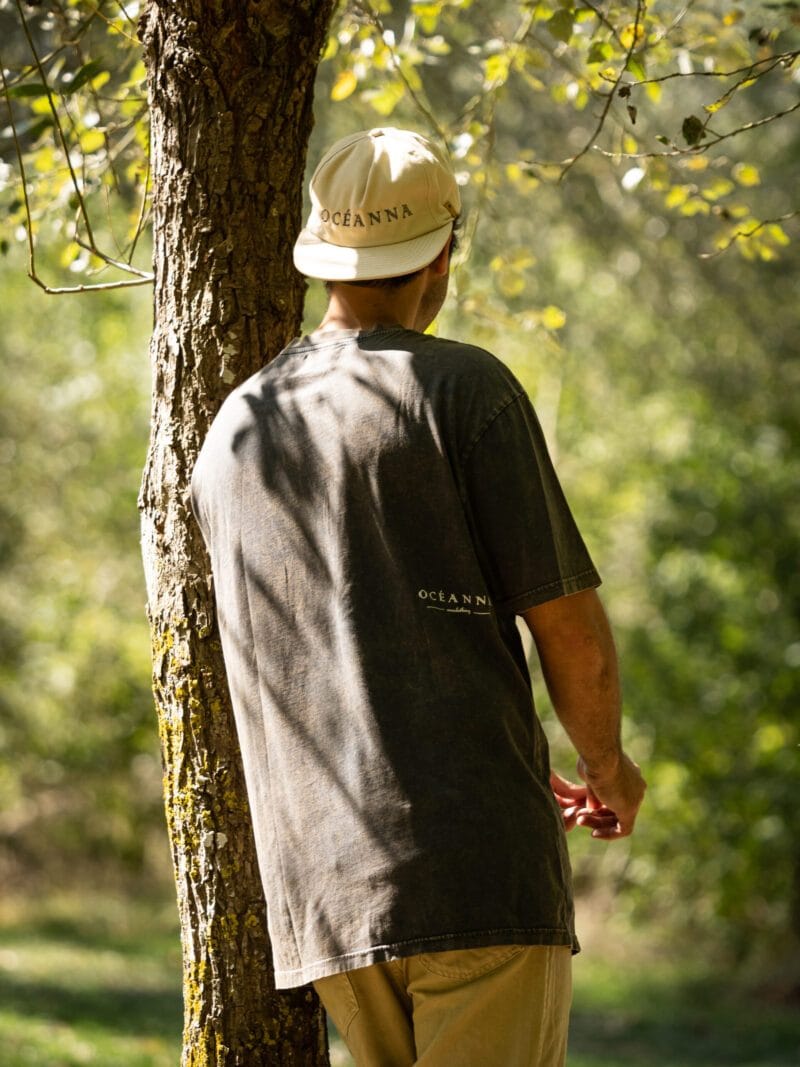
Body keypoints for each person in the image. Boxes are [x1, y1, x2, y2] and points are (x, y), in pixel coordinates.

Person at [190, 126, 646, 1067]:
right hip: (474, 872)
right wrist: (607, 765)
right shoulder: (464, 390)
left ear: (324, 255)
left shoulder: (235, 427)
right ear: (442, 253)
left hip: (324, 893)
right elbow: (569, 626)